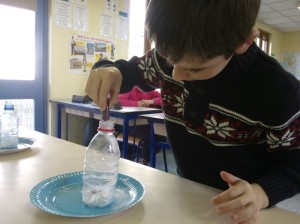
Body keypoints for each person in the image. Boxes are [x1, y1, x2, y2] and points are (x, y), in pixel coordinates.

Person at [85, 1, 300, 223]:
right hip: (185, 192)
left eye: (194, 69)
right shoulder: (172, 56)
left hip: (240, 208)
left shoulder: (280, 93)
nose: (175, 75)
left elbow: (294, 166)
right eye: (169, 60)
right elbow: (129, 71)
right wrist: (111, 70)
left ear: (244, 42)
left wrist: (260, 193)